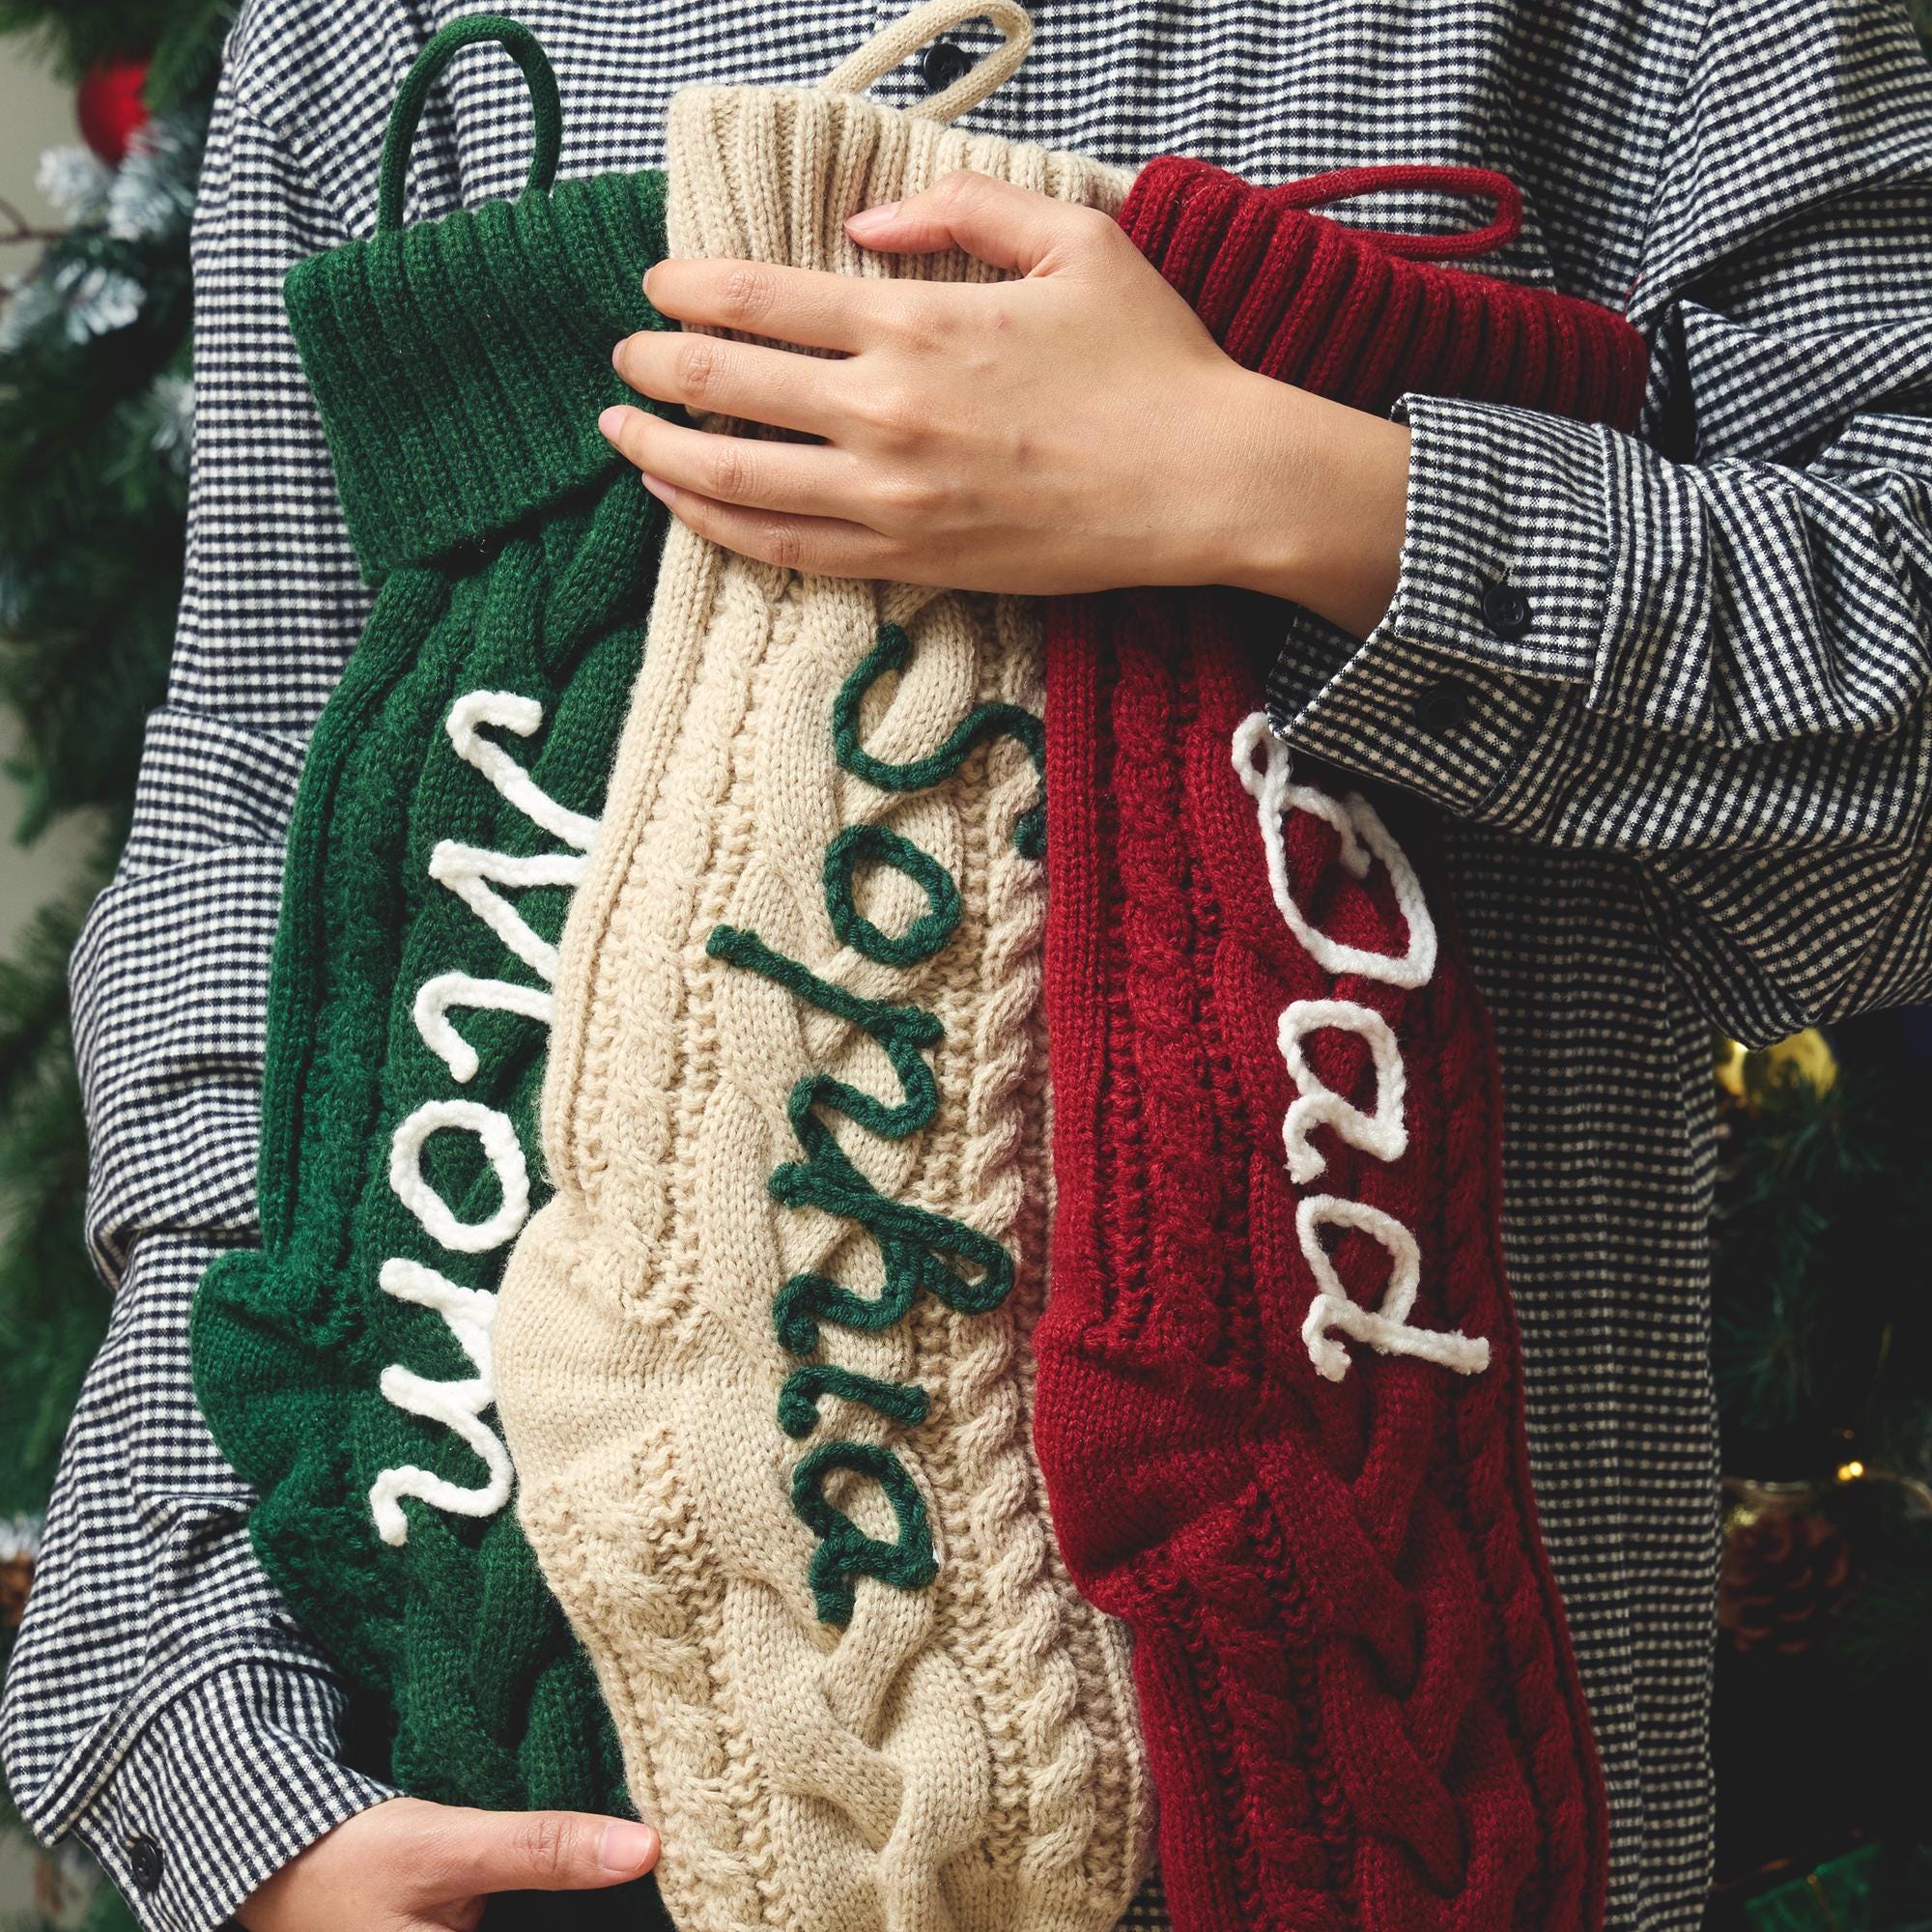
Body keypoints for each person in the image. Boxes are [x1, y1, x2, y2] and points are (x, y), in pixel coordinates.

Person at [5, 1, 1932, 1928]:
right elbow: (263, 845)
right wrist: (215, 1728)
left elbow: (1889, 815)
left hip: (1395, 1794)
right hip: (513, 1784)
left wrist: (1302, 497)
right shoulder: (385, 32)